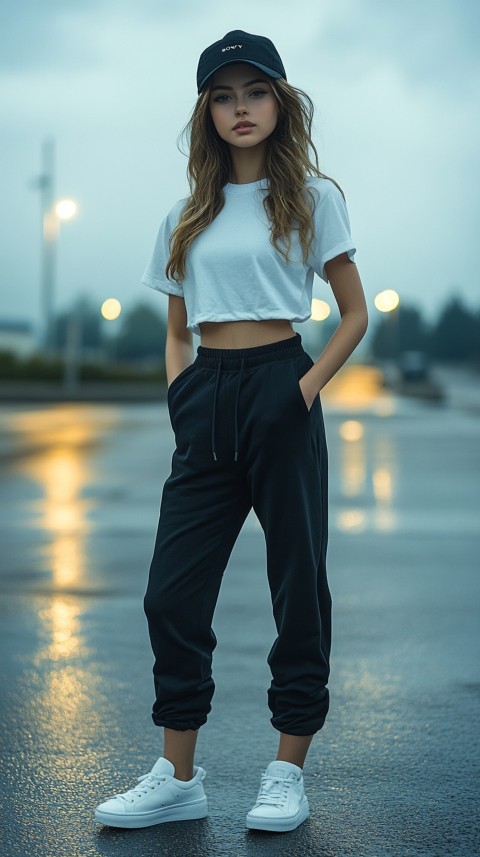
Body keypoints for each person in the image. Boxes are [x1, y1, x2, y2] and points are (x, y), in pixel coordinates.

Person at [95, 29, 368, 834]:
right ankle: (178, 775)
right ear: (206, 111)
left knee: (297, 588)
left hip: (283, 384)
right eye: (223, 95)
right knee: (171, 591)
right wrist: (182, 396)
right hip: (207, 398)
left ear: (279, 103)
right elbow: (177, 329)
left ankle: (286, 772)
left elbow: (353, 315)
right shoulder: (185, 215)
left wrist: (305, 391)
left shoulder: (314, 197)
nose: (239, 108)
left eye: (254, 92)